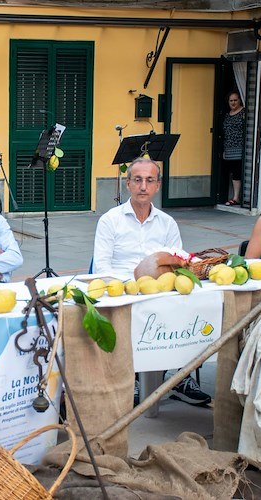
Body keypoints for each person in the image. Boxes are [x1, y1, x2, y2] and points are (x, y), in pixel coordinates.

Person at [93, 157, 211, 407]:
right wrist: (134, 285)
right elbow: (102, 268)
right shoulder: (110, 220)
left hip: (160, 292)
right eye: (137, 180)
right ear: (128, 184)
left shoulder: (167, 223)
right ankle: (133, 377)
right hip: (125, 292)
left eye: (149, 180)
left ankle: (180, 376)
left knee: (193, 307)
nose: (143, 186)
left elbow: (178, 263)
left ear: (157, 185)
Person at [222, 91, 245, 206]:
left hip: (239, 149)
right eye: (231, 100)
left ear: (240, 100)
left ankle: (236, 197)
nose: (233, 102)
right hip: (229, 149)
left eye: (235, 100)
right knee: (232, 173)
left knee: (237, 173)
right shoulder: (227, 114)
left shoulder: (243, 113)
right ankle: (235, 196)